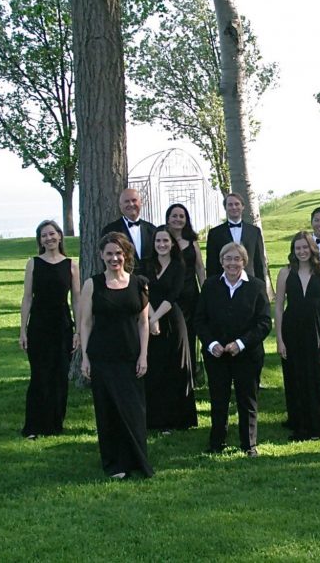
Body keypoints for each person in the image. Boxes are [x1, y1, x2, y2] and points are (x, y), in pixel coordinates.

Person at [77, 232, 153, 479]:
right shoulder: (92, 284)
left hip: (131, 356)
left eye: (118, 253)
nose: (114, 258)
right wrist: (85, 357)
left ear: (126, 255)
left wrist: (143, 355)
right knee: (108, 412)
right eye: (109, 254)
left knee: (133, 411)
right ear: (101, 255)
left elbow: (143, 323)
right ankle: (114, 464)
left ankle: (137, 460)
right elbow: (86, 323)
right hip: (103, 357)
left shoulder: (139, 283)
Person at [194, 242, 272, 457]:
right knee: (219, 399)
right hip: (216, 354)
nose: (232, 263)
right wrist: (211, 344)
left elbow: (264, 323)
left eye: (237, 259)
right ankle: (216, 442)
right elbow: (200, 320)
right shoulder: (210, 286)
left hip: (247, 354)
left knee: (247, 399)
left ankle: (249, 444)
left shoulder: (256, 286)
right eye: (227, 259)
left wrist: (241, 343)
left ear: (244, 262)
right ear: (221, 262)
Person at [275, 231, 320, 442]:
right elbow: (278, 307)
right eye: (298, 248)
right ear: (293, 251)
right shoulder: (285, 273)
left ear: (312, 249)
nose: (302, 251)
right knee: (296, 377)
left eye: (305, 247)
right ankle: (301, 423)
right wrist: (279, 339)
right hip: (292, 329)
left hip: (316, 329)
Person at [18, 220, 80, 439]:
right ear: (40, 240)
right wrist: (23, 330)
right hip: (39, 325)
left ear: (60, 236)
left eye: (52, 234)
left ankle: (55, 424)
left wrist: (78, 331)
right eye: (44, 236)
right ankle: (34, 426)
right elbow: (27, 298)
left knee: (60, 376)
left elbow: (77, 300)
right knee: (40, 376)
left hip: (62, 324)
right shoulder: (33, 263)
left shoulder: (71, 264)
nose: (49, 238)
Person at [138, 226, 197, 432]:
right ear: (153, 244)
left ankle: (177, 419)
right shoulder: (145, 265)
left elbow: (172, 295)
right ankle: (155, 420)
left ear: (172, 243)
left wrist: (155, 318)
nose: (162, 245)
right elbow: (142, 291)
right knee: (154, 368)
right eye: (158, 241)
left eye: (165, 241)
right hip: (147, 318)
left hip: (172, 319)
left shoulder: (179, 265)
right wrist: (150, 318)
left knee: (175, 368)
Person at [165, 203, 206, 382]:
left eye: (182, 216)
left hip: (190, 296)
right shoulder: (162, 240)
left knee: (189, 334)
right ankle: (172, 373)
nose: (178, 219)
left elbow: (199, 267)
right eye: (174, 216)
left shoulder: (192, 241)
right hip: (170, 296)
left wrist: (206, 292)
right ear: (168, 219)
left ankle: (189, 374)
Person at [205, 193, 267, 283]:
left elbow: (259, 262)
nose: (234, 207)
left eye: (237, 204)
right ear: (225, 208)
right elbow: (211, 264)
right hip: (223, 282)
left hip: (249, 281)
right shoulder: (215, 233)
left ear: (243, 207)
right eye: (230, 205)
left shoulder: (254, 231)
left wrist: (261, 285)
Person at [101, 187, 157, 260]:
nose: (131, 204)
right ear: (120, 206)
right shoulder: (110, 230)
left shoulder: (152, 229)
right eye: (126, 201)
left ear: (141, 203)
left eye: (134, 200)